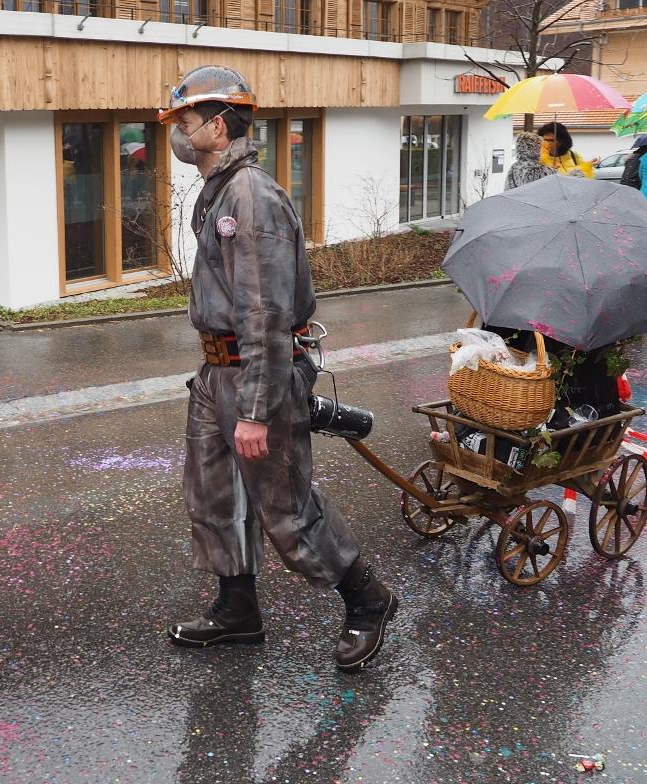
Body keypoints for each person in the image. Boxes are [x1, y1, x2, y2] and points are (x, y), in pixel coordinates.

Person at [159, 65, 396, 673]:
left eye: (184, 122)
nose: (177, 135)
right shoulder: (218, 191)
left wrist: (258, 410)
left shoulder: (251, 198)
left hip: (252, 376)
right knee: (212, 497)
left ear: (217, 125)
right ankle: (237, 609)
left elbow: (263, 313)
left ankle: (368, 601)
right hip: (217, 375)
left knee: (286, 509)